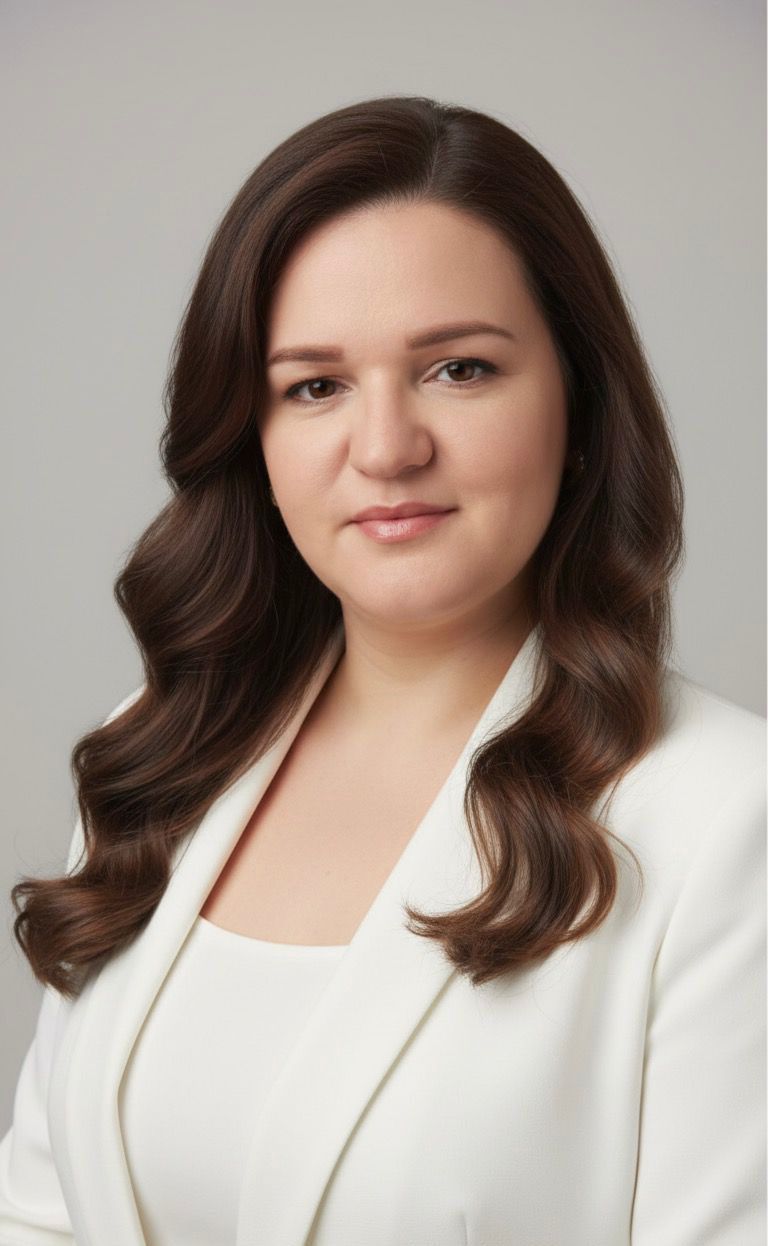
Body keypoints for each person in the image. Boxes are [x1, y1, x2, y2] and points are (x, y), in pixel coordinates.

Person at [1, 95, 764, 1246]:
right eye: (315, 385)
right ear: (252, 438)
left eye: (459, 368)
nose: (387, 448)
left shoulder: (728, 817)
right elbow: (41, 1213)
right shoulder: (164, 752)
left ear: (580, 402)